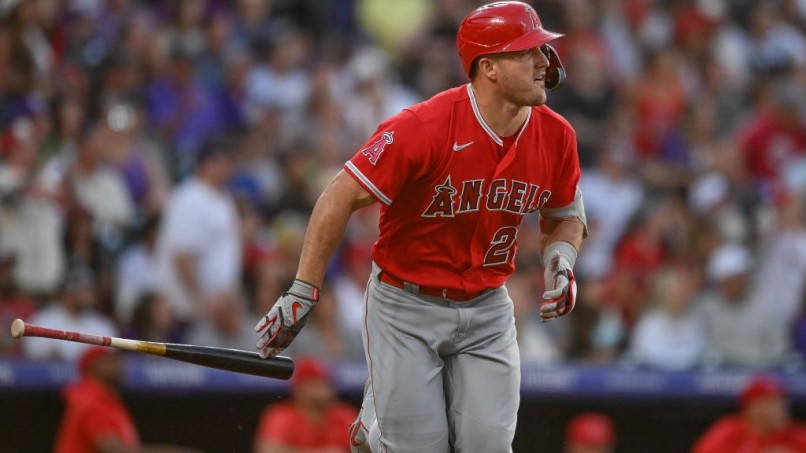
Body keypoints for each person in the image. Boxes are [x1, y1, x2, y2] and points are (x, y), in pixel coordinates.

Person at [254, 2, 587, 452]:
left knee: (488, 447)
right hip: (406, 304)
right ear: (488, 68)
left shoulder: (556, 134)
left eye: (543, 50)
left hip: (487, 306)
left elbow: (565, 213)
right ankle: (376, 430)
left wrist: (561, 260)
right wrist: (303, 289)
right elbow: (338, 196)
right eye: (527, 51)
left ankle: (381, 424)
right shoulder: (423, 127)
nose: (544, 62)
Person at [155, 139, 241, 323]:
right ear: (208, 163)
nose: (229, 168)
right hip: (188, 309)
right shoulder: (189, 198)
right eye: (224, 162)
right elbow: (182, 256)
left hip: (217, 308)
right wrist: (198, 300)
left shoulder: (223, 198)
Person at [54, 346, 199, 453]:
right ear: (95, 367)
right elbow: (116, 450)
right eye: (111, 360)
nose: (120, 364)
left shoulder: (106, 399)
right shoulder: (91, 400)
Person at [254, 357, 358, 453]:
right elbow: (267, 450)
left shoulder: (343, 415)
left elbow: (364, 447)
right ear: (300, 388)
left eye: (327, 383)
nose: (326, 389)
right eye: (317, 383)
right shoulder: (282, 416)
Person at [692, 375, 806, 453]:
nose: (780, 409)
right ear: (751, 407)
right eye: (771, 403)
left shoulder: (795, 432)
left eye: (782, 402)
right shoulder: (729, 431)